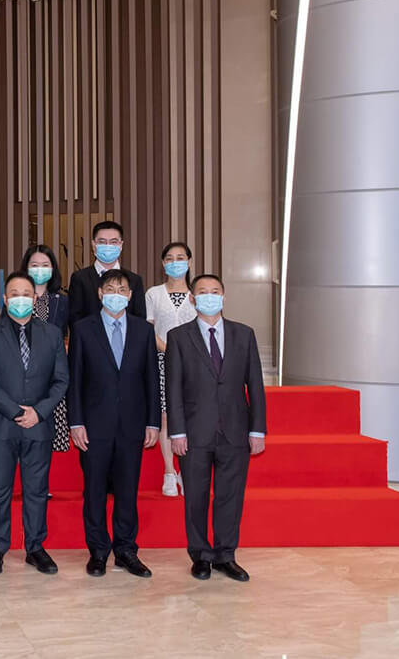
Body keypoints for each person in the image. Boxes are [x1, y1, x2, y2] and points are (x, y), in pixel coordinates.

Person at [166, 274, 268, 582]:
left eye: (215, 291)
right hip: (195, 431)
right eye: (203, 292)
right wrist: (177, 432)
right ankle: (200, 555)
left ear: (224, 296)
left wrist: (257, 430)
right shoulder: (178, 337)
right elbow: (173, 389)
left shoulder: (244, 334)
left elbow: (255, 385)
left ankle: (226, 555)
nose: (209, 296)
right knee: (196, 497)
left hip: (235, 430)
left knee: (230, 496)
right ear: (193, 299)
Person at [68, 269, 161, 578]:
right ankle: (98, 551)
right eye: (110, 289)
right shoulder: (83, 329)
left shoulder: (143, 331)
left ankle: (125, 550)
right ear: (99, 293)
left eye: (122, 290)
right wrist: (76, 422)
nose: (116, 295)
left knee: (127, 490)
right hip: (94, 425)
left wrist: (153, 422)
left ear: (131, 295)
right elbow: (75, 379)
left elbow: (151, 379)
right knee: (94, 490)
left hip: (132, 424)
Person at [0, 272, 69, 576]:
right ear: (5, 299)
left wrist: (38, 412)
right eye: (14, 294)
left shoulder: (52, 334)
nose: (20, 299)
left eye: (26, 294)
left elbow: (61, 380)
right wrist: (15, 411)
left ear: (35, 298)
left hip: (39, 425)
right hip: (1, 424)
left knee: (36, 490)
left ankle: (35, 547)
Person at [145, 242, 199, 496]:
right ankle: (169, 471)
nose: (175, 262)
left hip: (195, 363)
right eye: (169, 258)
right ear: (163, 263)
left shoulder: (198, 293)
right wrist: (169, 351)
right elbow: (149, 329)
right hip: (161, 360)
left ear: (189, 262)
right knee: (166, 415)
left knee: (192, 416)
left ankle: (186, 471)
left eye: (180, 257)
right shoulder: (153, 294)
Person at [18, 245, 72, 458]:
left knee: (48, 432)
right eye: (34, 265)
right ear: (26, 268)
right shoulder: (17, 299)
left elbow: (67, 332)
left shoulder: (62, 301)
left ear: (53, 269)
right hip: (22, 373)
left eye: (45, 265)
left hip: (52, 373)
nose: (39, 269)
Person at [67, 221, 146, 324]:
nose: (108, 246)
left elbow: (139, 319)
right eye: (102, 242)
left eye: (113, 242)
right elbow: (75, 318)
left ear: (121, 245)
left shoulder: (134, 280)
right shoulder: (80, 278)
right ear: (93, 245)